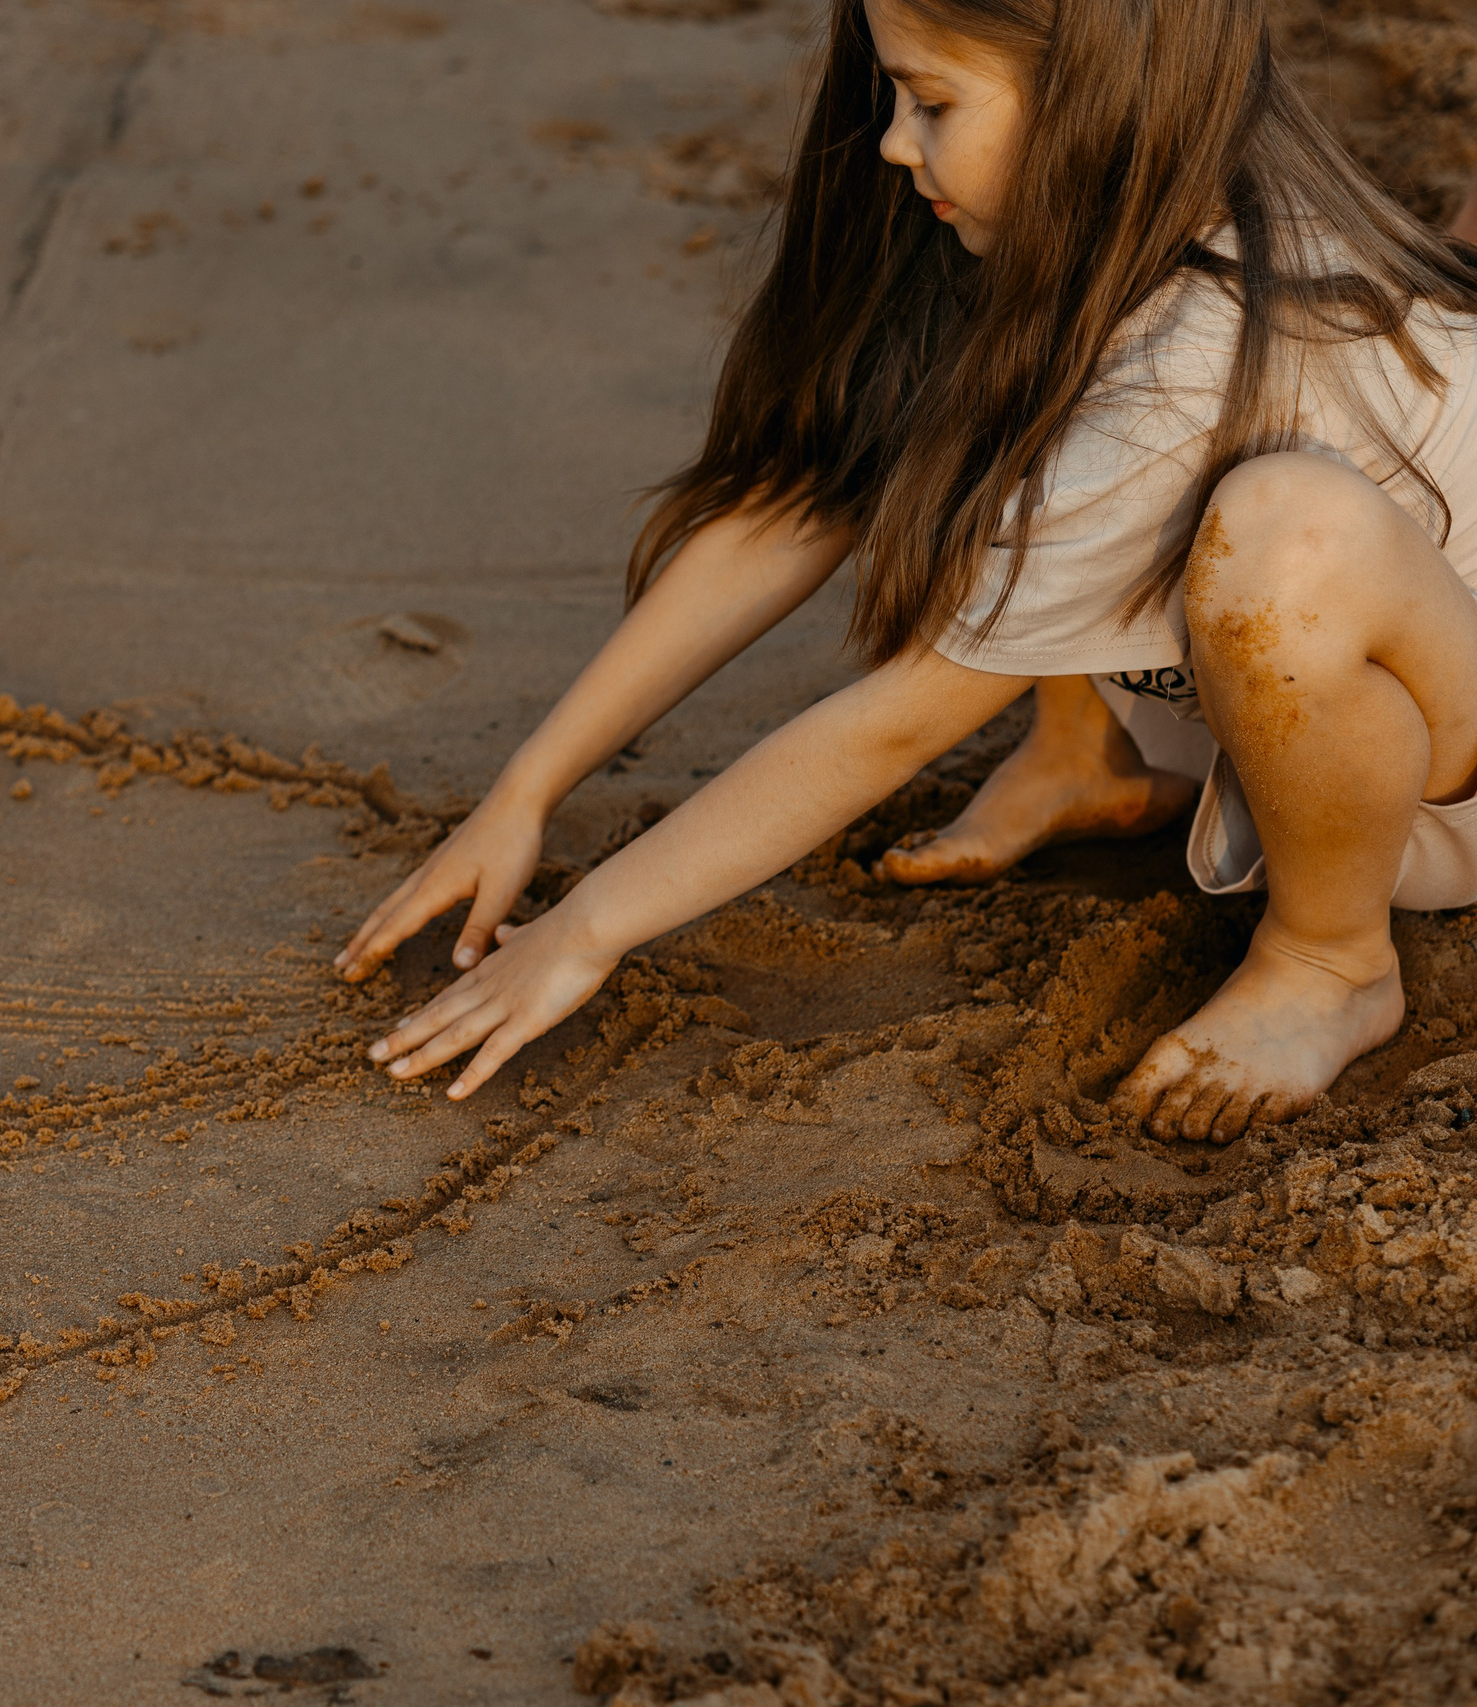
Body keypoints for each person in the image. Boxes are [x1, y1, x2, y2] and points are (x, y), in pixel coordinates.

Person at [335, 0, 1477, 1143]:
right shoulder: (1102, 202)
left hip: (1442, 767)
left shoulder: (1194, 358)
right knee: (1062, 464)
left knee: (1286, 533)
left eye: (930, 102)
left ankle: (1328, 959)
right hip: (1340, 655)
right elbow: (800, 498)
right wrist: (525, 791)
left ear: (1097, 97)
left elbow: (892, 725)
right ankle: (1094, 749)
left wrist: (582, 930)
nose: (889, 139)